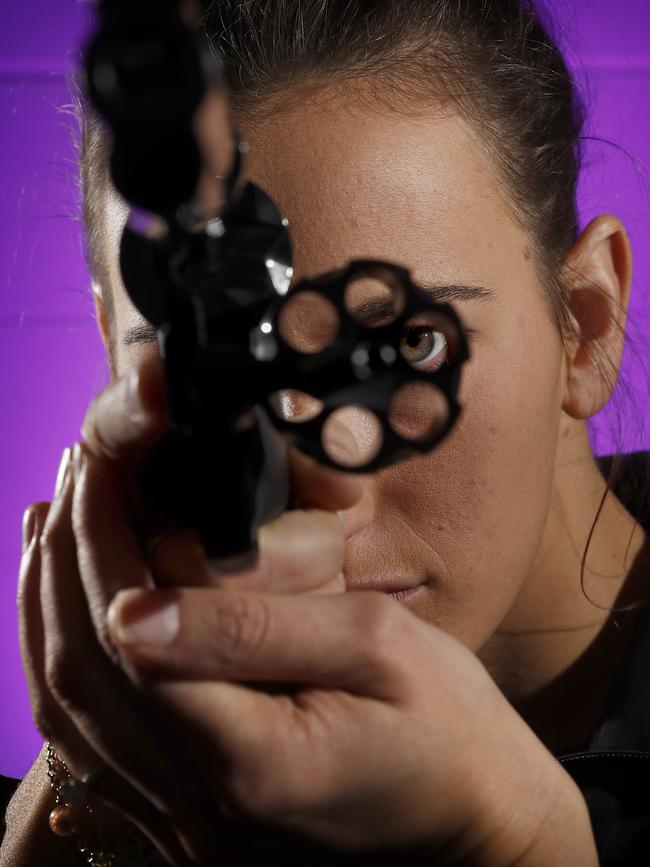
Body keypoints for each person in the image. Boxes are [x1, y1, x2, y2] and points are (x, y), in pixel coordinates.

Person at [2, 0, 650, 864]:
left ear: (586, 324)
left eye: (402, 348)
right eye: (213, 375)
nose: (316, 500)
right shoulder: (126, 792)